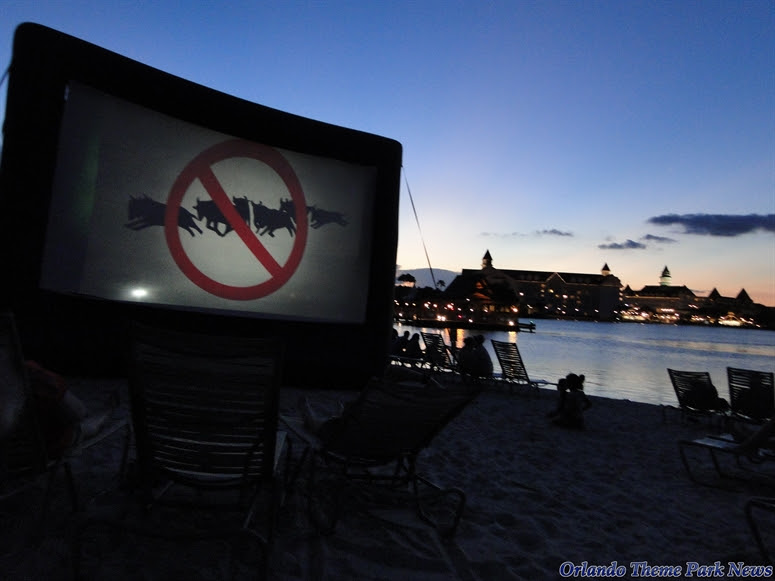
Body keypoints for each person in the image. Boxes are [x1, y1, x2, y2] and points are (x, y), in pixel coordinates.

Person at [25, 360, 116, 458]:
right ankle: (106, 412)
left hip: (20, 458)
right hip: (50, 450)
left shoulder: (15, 387)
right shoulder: (37, 379)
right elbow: (79, 413)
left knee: (79, 424)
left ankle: (105, 413)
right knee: (82, 427)